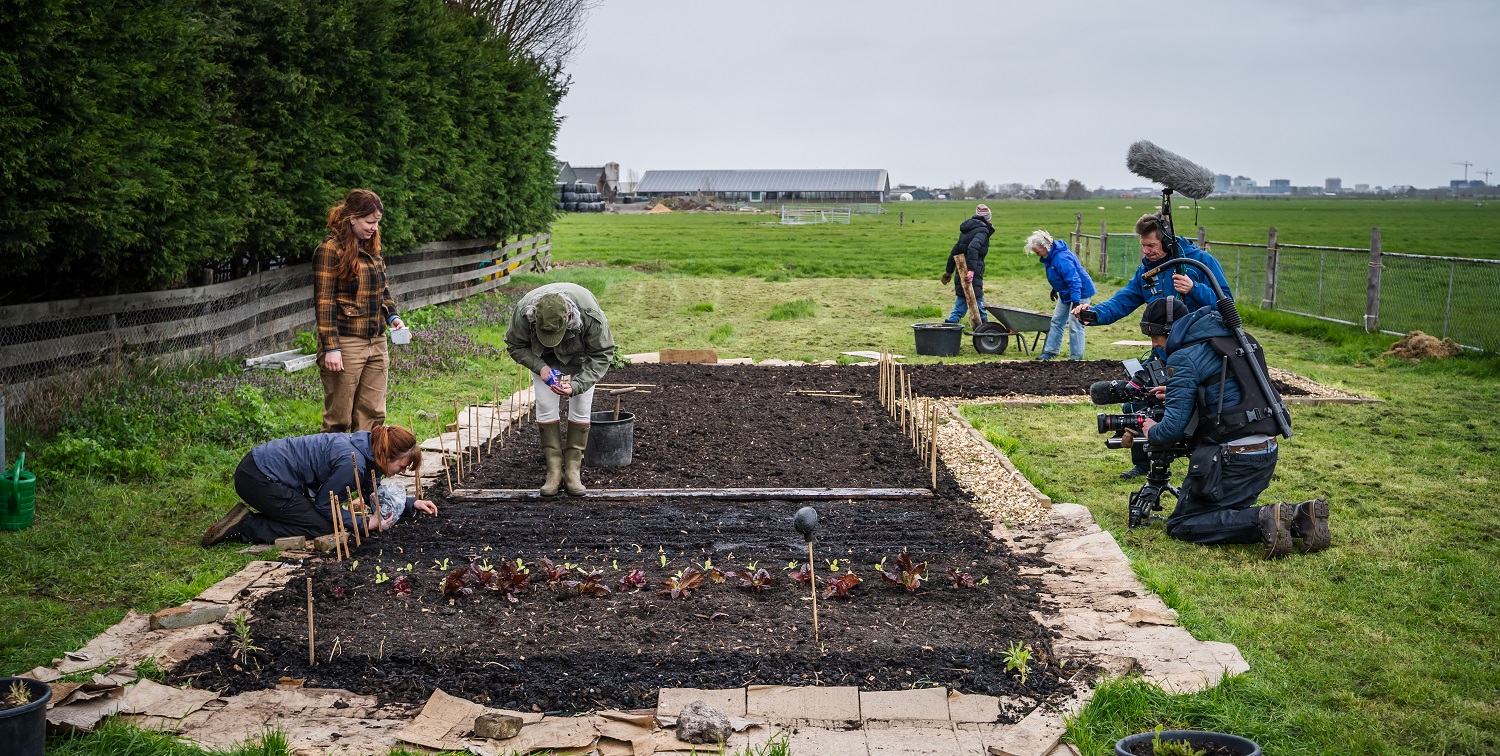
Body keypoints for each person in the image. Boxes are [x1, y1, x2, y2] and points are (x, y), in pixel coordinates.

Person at [1133, 299, 1329, 559]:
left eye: (1155, 337)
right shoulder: (1238, 338)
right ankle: (1301, 514)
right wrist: (1180, 391)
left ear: (1170, 332)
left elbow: (1171, 430)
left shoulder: (1183, 357)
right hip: (1265, 452)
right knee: (1224, 513)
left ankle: (1264, 519)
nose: (1154, 345)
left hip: (1230, 460)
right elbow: (1229, 388)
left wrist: (1150, 429)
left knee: (1183, 524)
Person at [1072, 212, 1232, 478]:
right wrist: (1095, 314)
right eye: (1143, 246)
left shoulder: (1200, 264)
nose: (1146, 251)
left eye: (1151, 246)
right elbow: (1125, 299)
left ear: (1168, 243)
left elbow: (1227, 304)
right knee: (1135, 402)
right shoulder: (1148, 271)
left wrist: (1195, 289)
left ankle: (1204, 460)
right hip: (1163, 354)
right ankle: (1145, 464)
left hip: (1199, 357)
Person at [202, 424, 438, 547]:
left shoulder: (366, 448)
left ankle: (274, 514)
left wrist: (410, 503)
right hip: (259, 478)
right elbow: (327, 507)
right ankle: (246, 525)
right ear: (388, 455)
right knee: (322, 526)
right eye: (403, 466)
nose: (403, 471)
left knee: (309, 515)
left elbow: (371, 491)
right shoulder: (352, 463)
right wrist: (366, 522)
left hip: (261, 468)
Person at [504, 282, 616, 496]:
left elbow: (603, 353)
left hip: (581, 359)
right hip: (544, 362)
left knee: (582, 407)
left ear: (569, 318)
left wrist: (576, 385)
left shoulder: (589, 315)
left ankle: (573, 470)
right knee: (545, 406)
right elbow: (515, 344)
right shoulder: (524, 311)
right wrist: (541, 368)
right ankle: (554, 470)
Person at [314, 189, 405, 433]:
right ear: (352, 218)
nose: (374, 228)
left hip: (377, 340)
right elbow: (324, 301)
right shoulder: (330, 249)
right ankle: (335, 467)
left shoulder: (372, 247)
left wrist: (393, 316)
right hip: (346, 342)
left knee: (373, 414)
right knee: (339, 417)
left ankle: (366, 468)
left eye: (377, 223)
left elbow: (382, 288)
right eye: (369, 222)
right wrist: (331, 347)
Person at [1025, 230, 1095, 360]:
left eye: (1037, 251)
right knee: (1057, 321)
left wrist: (1076, 302)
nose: (1036, 253)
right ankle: (1050, 351)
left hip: (1080, 292)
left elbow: (1074, 280)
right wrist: (1055, 288)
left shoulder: (1061, 258)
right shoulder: (1050, 257)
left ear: (1045, 247)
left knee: (1076, 324)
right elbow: (1059, 276)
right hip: (1066, 292)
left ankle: (1076, 357)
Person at [941, 204, 993, 324]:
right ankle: (986, 330)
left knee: (961, 302)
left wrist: (948, 271)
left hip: (961, 271)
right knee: (979, 300)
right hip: (971, 273)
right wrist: (972, 270)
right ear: (988, 218)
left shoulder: (967, 230)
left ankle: (950, 325)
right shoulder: (983, 230)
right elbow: (973, 247)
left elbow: (955, 250)